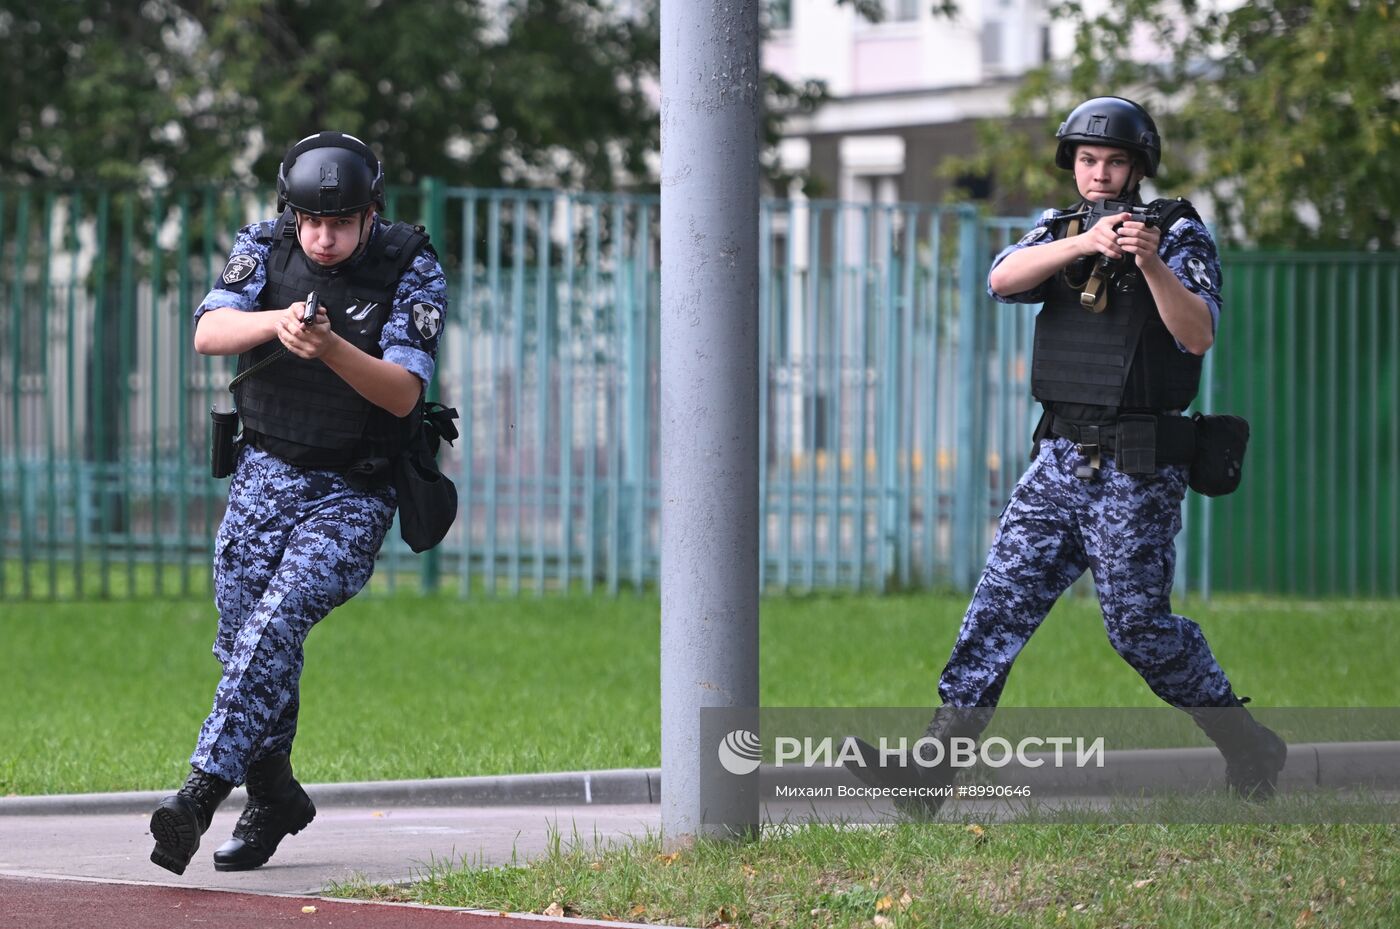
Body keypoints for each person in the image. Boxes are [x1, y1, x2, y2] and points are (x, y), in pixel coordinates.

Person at [848, 96, 1286, 811]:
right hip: (1058, 464)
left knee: (1140, 631)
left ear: (1138, 168)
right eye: (1087, 159)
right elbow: (1001, 279)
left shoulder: (1178, 233)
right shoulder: (1059, 231)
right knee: (996, 611)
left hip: (1137, 471)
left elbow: (1198, 334)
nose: (1100, 173)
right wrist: (1084, 245)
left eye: (1114, 161)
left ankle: (1249, 744)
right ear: (1072, 164)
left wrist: (1148, 262)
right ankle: (930, 774)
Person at [149, 131, 448, 874]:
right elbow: (209, 331)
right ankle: (275, 791)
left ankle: (199, 792)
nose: (322, 237)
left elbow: (404, 392)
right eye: (311, 221)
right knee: (246, 638)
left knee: (278, 619)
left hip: (354, 489)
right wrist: (276, 322)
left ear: (371, 213)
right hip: (264, 473)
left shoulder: (410, 263)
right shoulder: (264, 244)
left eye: (340, 223)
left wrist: (332, 347)